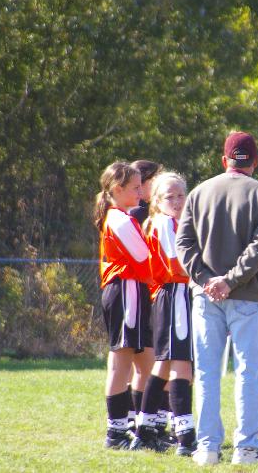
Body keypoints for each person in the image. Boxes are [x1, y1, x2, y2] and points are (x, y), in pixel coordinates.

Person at [175, 131, 258, 467]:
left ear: (224, 160)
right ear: (255, 161)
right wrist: (231, 280)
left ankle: (207, 448)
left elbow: (183, 244)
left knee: (207, 372)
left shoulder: (198, 193)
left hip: (205, 295)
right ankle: (247, 449)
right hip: (248, 295)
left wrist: (207, 279)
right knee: (250, 373)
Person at [130, 172, 196, 455]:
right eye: (170, 196)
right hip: (175, 294)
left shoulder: (171, 222)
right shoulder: (165, 222)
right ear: (156, 200)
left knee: (164, 366)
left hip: (172, 296)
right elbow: (176, 264)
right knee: (182, 366)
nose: (177, 201)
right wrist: (207, 271)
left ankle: (144, 431)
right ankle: (186, 437)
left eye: (181, 195)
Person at [94, 161, 154, 450]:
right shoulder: (119, 219)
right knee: (121, 364)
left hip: (132, 290)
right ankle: (116, 432)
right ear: (117, 190)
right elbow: (144, 257)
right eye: (135, 188)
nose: (141, 193)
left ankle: (142, 427)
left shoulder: (122, 216)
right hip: (125, 291)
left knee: (145, 363)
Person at [127, 160, 172, 441]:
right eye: (156, 178)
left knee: (156, 363)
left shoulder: (157, 213)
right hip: (147, 295)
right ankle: (144, 422)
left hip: (153, 295)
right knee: (150, 365)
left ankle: (150, 422)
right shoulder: (138, 215)